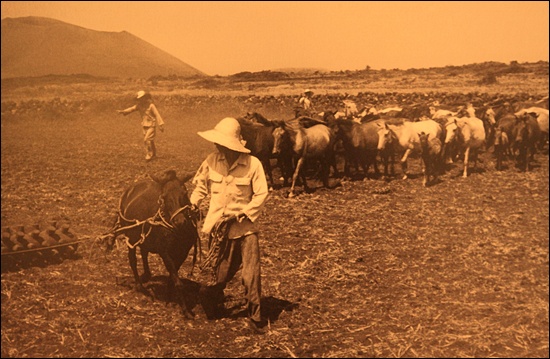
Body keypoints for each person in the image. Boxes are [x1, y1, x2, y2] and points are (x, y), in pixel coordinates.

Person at [190, 117, 269, 333]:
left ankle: (255, 316)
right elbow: (200, 187)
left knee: (250, 275)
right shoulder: (210, 161)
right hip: (219, 230)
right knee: (220, 273)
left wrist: (246, 213)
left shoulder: (253, 164)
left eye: (221, 143)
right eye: (216, 143)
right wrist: (193, 202)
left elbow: (262, 194)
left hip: (245, 229)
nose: (217, 147)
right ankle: (212, 299)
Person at [117, 90, 165, 161]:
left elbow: (157, 114)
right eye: (139, 99)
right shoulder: (139, 106)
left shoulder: (151, 106)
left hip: (151, 125)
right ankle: (154, 154)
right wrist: (123, 111)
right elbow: (131, 109)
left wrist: (160, 124)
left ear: (146, 98)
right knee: (151, 141)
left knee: (146, 139)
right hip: (144, 125)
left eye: (142, 98)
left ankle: (149, 155)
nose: (141, 100)